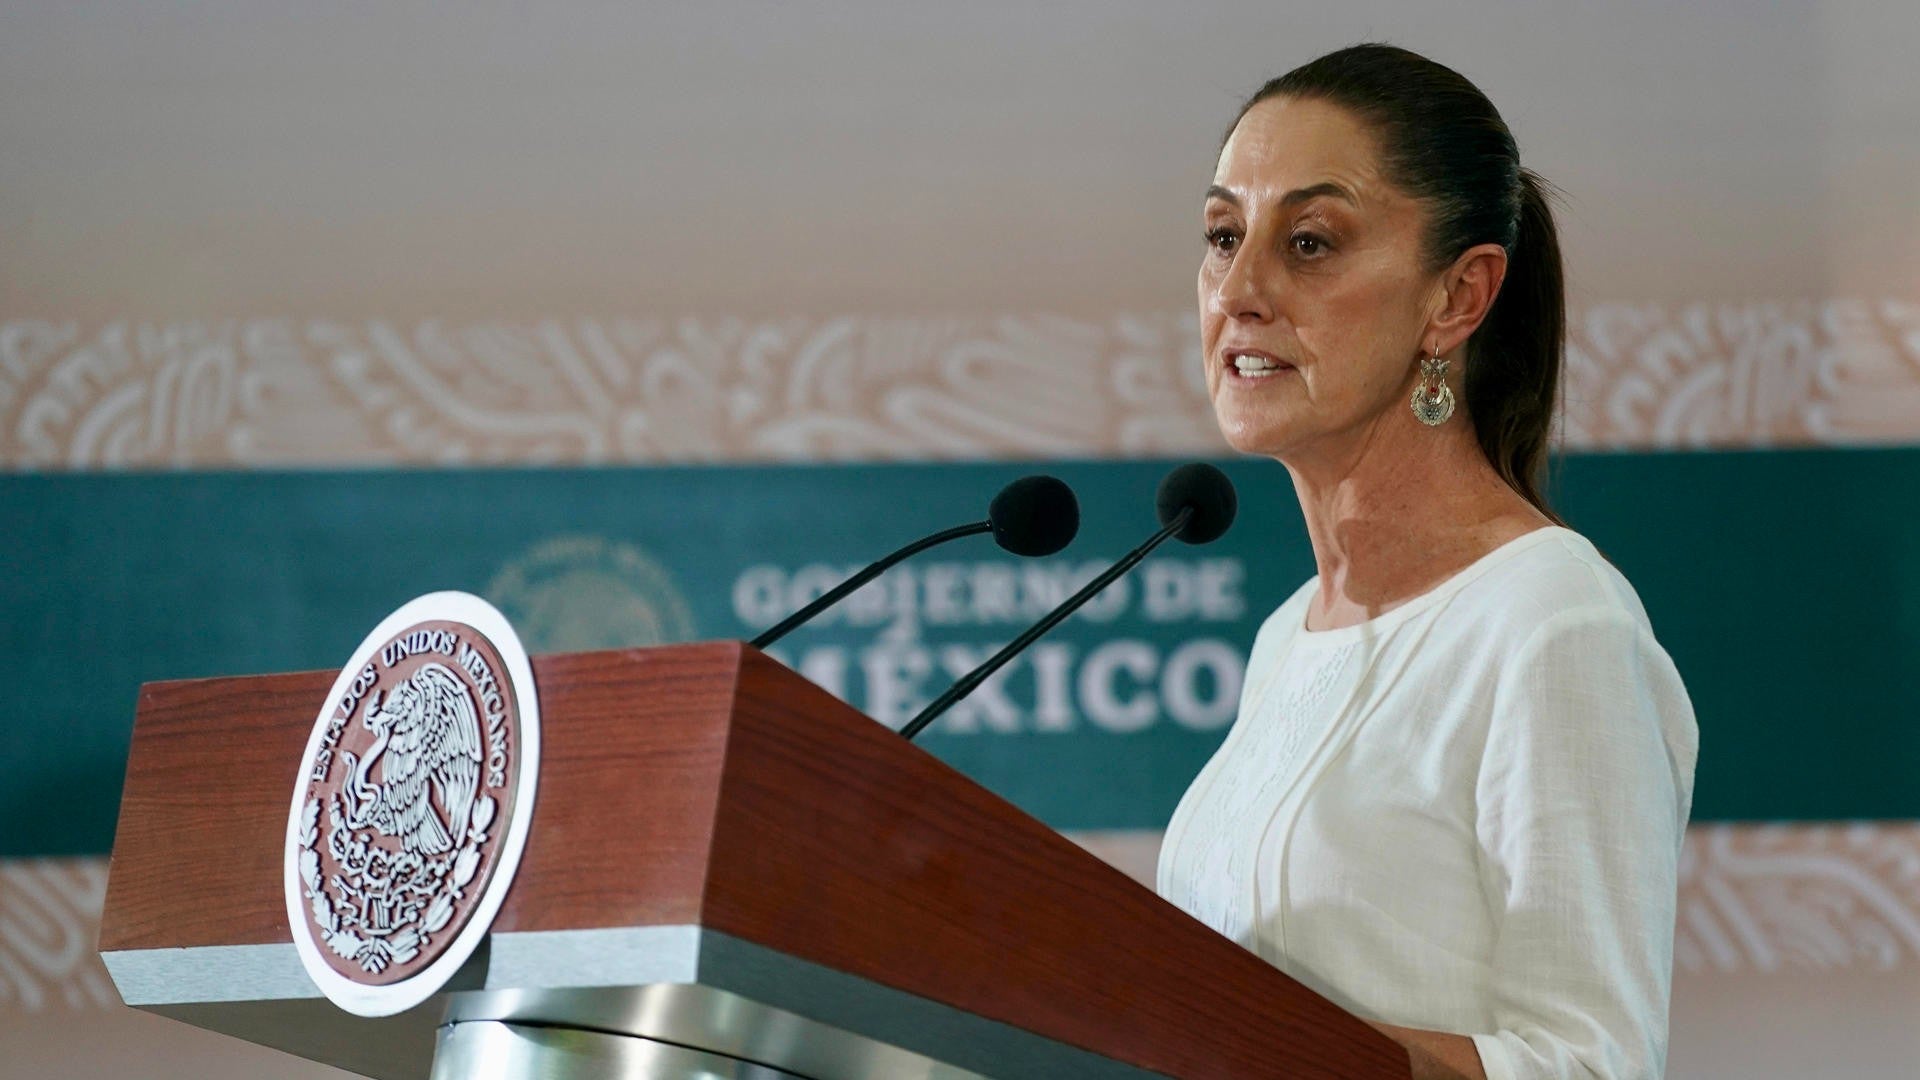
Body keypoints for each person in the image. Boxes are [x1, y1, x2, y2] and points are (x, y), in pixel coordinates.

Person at [1154, 44, 1698, 1080]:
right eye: (1223, 236)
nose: (1242, 290)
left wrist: (1245, 1046)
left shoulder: (1552, 618)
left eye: (1309, 242)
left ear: (1458, 297)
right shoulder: (1286, 639)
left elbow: (1592, 1065)